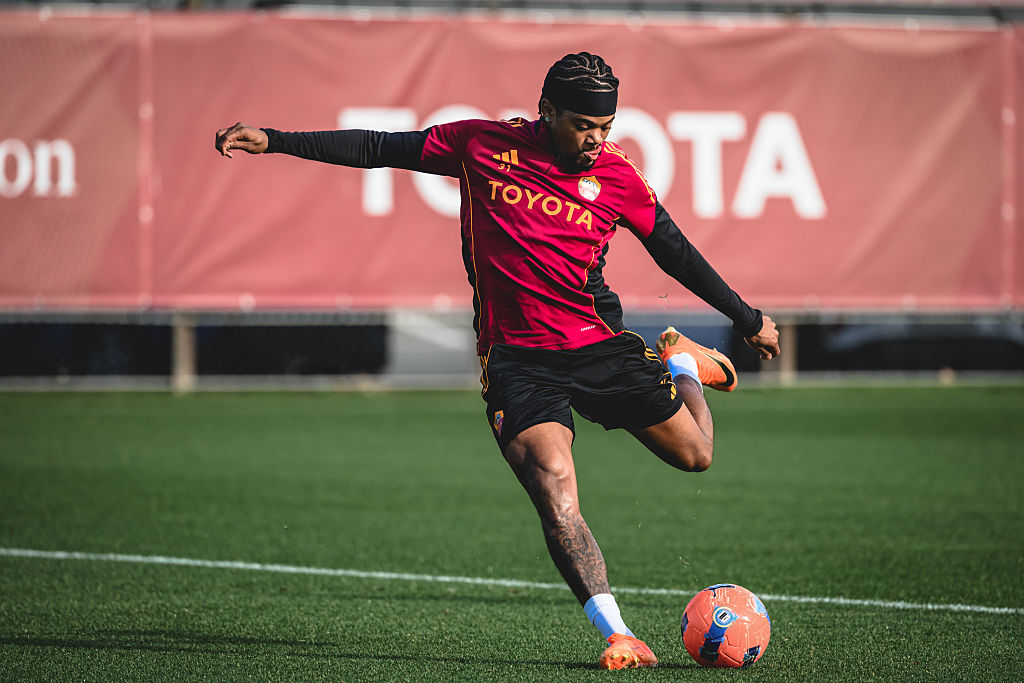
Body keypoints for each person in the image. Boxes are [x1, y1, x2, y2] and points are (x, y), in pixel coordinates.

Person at [215, 51, 780, 670]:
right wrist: (275, 139)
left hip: (597, 344)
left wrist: (747, 318)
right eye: (583, 126)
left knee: (697, 455)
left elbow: (676, 252)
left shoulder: (618, 178)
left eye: (605, 127)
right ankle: (619, 633)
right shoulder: (480, 146)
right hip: (518, 361)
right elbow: (378, 146)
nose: (595, 139)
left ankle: (681, 363)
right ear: (547, 111)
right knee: (554, 486)